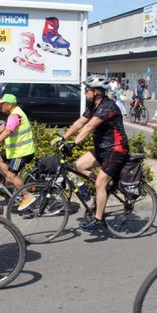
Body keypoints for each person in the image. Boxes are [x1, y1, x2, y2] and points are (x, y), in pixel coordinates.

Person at [57, 75, 130, 230]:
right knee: (77, 166)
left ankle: (98, 219)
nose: (84, 92)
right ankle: (103, 188)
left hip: (116, 149)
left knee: (100, 183)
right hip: (102, 148)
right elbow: (80, 122)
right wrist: (63, 138)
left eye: (87, 90)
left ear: (96, 92)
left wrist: (74, 143)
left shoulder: (108, 107)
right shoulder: (93, 106)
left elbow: (89, 127)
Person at [0, 93, 36, 210]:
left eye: (2, 104)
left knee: (11, 174)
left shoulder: (15, 115)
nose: (1, 106)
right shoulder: (13, 114)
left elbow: (7, 131)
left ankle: (27, 196)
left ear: (9, 105)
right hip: (15, 151)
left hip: (22, 152)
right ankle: (12, 181)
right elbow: (2, 127)